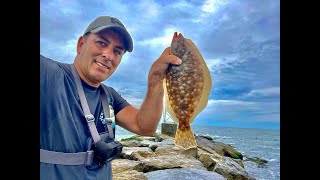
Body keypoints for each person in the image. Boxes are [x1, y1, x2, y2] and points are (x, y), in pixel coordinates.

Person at [40, 15, 182, 180]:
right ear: (80, 44)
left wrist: (156, 80)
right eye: (102, 43)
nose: (108, 55)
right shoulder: (49, 74)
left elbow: (145, 127)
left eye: (117, 51)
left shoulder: (109, 95)